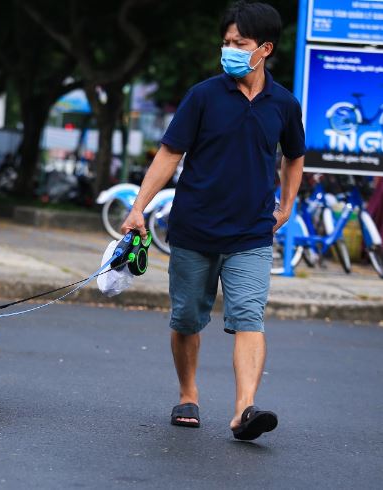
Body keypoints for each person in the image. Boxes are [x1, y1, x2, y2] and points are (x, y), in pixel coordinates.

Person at [121, 1, 305, 441]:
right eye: (226, 43)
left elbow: (295, 157)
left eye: (238, 43)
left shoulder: (283, 103)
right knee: (186, 319)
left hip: (251, 234)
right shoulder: (203, 95)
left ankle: (245, 410)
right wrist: (138, 207)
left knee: (249, 318)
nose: (229, 51)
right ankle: (188, 394)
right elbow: (169, 153)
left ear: (264, 48)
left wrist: (287, 204)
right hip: (194, 230)